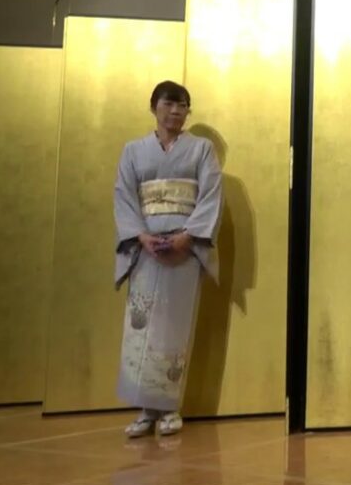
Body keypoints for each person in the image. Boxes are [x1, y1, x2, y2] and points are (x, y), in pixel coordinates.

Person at [113, 81, 223, 439]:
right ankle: (146, 409)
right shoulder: (133, 150)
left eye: (183, 105)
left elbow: (211, 195)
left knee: (175, 326)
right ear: (154, 107)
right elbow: (124, 196)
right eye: (169, 104)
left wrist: (187, 236)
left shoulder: (202, 149)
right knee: (141, 326)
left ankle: (170, 407)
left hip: (183, 249)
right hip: (145, 249)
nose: (176, 111)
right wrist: (141, 236)